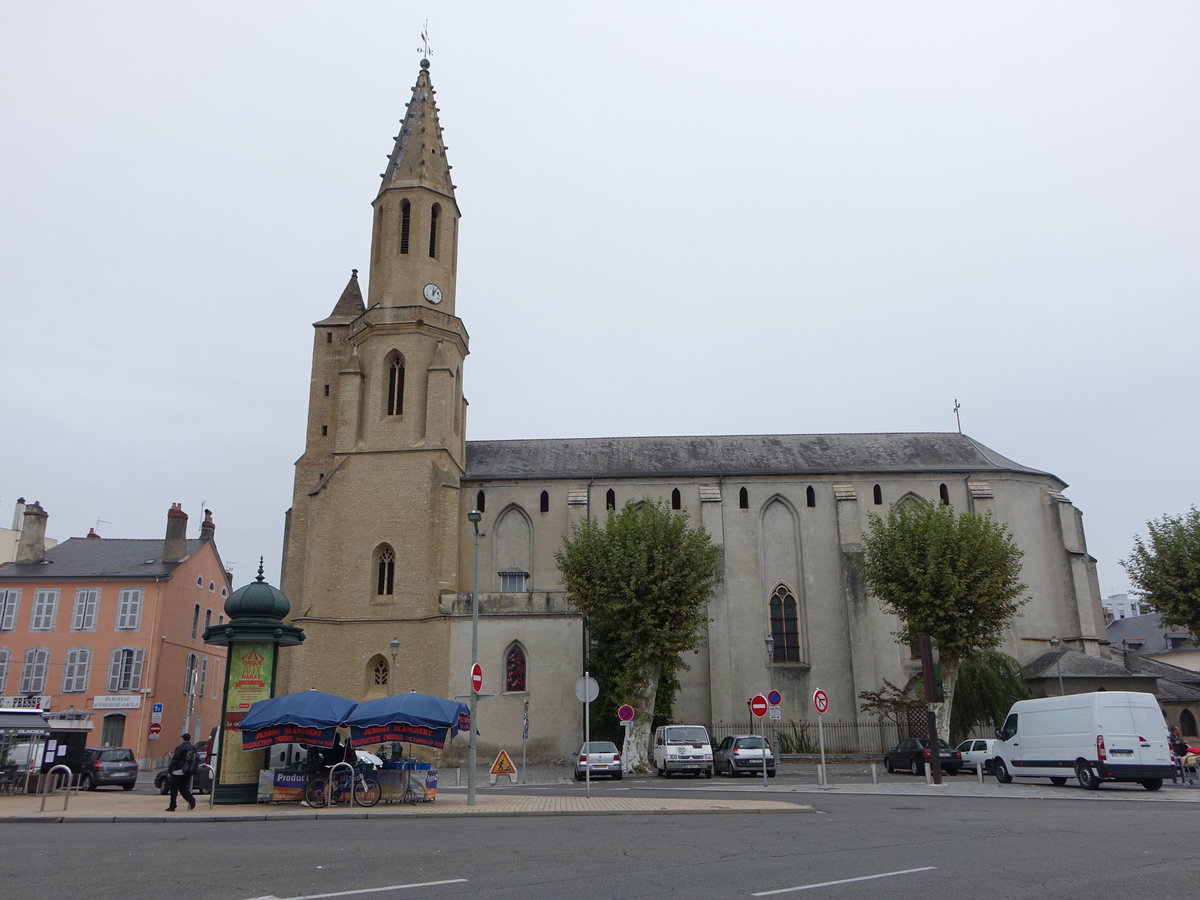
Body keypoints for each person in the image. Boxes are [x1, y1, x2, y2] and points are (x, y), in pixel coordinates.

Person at [165, 732, 196, 811]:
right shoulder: (193, 748)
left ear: (183, 739)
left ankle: (173, 805)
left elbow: (175, 760)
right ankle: (190, 799)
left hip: (178, 771)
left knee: (174, 789)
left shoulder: (180, 748)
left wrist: (170, 771)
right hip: (187, 770)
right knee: (183, 788)